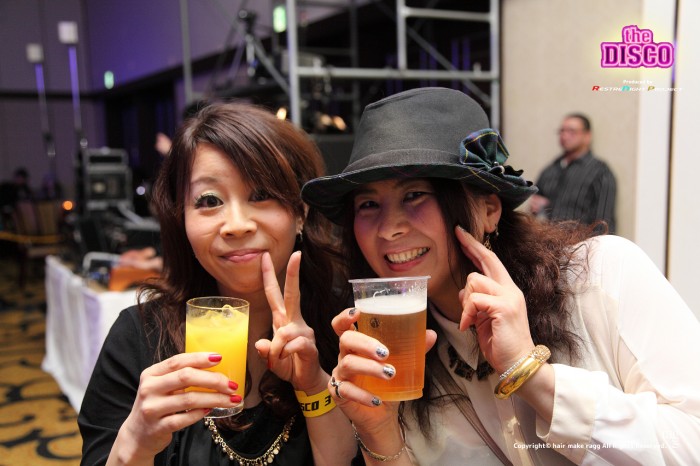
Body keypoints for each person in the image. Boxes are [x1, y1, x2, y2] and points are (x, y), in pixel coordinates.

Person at [301, 87, 700, 465]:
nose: (389, 229)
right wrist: (379, 432)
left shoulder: (601, 275)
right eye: (368, 204)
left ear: (489, 209)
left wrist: (533, 375)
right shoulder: (395, 358)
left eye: (415, 195)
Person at [79, 102, 356, 465]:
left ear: (301, 212)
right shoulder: (138, 337)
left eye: (261, 195)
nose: (236, 225)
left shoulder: (344, 330)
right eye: (209, 200)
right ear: (182, 219)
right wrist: (136, 441)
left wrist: (313, 385)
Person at [529, 114, 617, 233]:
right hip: (546, 240)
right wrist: (536, 208)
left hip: (582, 242)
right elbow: (535, 209)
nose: (564, 136)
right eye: (562, 131)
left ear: (587, 136)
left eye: (572, 131)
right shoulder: (550, 170)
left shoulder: (600, 172)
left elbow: (604, 223)